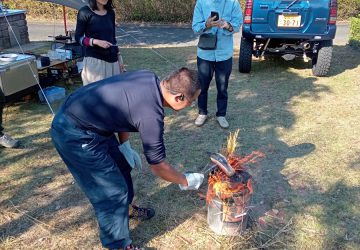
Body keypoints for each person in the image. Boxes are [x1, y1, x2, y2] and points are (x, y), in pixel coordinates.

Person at [50, 68, 204, 249]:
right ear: (179, 97)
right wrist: (185, 180)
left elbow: (123, 110)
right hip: (74, 131)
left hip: (92, 122)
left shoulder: (148, 78)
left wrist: (124, 146)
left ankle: (127, 209)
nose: (191, 106)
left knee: (122, 167)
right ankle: (119, 245)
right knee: (111, 191)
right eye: (192, 102)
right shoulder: (151, 114)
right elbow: (157, 166)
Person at [192, 0, 242, 128]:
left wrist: (227, 26)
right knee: (202, 86)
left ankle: (221, 115)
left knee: (222, 87)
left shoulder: (233, 3)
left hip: (224, 54)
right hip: (205, 54)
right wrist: (207, 24)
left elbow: (237, 26)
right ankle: (202, 112)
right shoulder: (201, 3)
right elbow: (195, 27)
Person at [75, 0, 125, 86]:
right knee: (96, 96)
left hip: (113, 62)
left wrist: (119, 59)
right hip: (95, 64)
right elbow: (78, 38)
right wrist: (95, 42)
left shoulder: (111, 13)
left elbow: (113, 38)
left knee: (114, 95)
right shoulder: (84, 12)